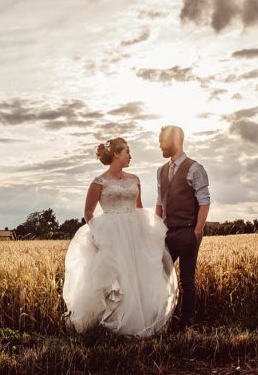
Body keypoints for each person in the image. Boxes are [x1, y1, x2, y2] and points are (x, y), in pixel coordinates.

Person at [63, 137, 178, 337]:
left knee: (138, 276)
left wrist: (147, 232)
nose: (130, 156)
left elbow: (139, 207)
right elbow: (88, 213)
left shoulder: (135, 179)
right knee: (117, 277)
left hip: (134, 231)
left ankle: (139, 324)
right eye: (127, 152)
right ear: (116, 154)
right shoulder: (99, 182)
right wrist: (99, 234)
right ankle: (111, 325)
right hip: (111, 233)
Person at [155, 126, 210, 331]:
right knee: (158, 277)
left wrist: (197, 231)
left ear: (175, 140)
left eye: (162, 140)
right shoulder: (161, 170)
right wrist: (155, 230)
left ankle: (187, 324)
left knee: (188, 281)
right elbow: (160, 203)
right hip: (166, 233)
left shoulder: (195, 169)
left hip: (187, 232)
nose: (160, 145)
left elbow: (204, 202)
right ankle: (160, 320)